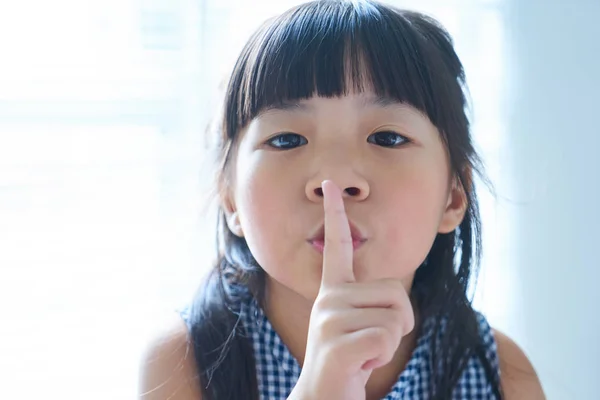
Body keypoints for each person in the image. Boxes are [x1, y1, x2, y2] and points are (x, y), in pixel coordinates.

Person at [138, 1, 545, 399]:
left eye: (387, 138)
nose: (335, 181)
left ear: (454, 197)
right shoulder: (184, 361)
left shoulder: (503, 376)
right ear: (230, 200)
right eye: (286, 139)